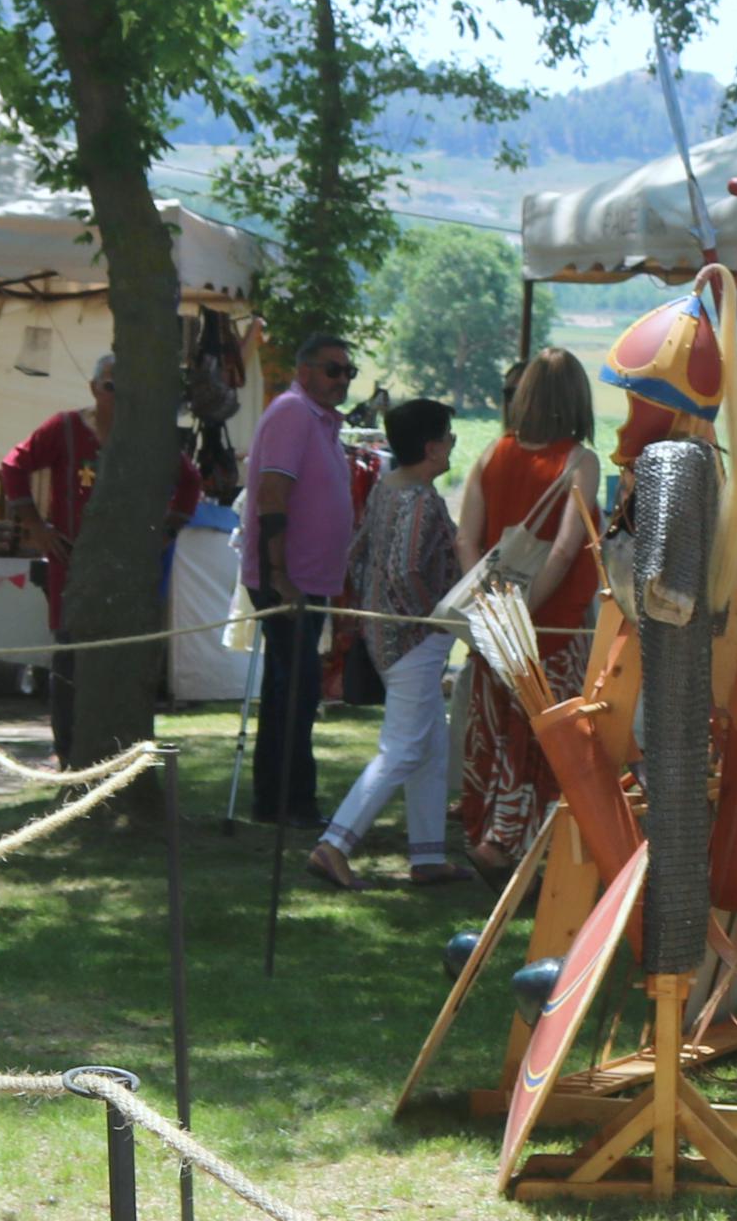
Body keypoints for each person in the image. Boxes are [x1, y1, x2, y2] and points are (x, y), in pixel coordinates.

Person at [0, 353, 199, 766]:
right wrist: (35, 526)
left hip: (127, 567)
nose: (118, 396)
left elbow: (190, 481)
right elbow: (13, 465)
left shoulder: (145, 436)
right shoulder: (66, 428)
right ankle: (67, 749)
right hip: (72, 559)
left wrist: (164, 533)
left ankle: (117, 749)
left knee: (122, 654)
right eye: (110, 387)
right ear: (94, 388)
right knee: (70, 653)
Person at [449, 349, 599, 869]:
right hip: (551, 629)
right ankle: (520, 845)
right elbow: (564, 548)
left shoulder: (492, 454)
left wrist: (492, 608)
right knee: (546, 737)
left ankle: (492, 833)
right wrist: (524, 610)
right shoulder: (580, 461)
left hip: (495, 623)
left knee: (498, 733)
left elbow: (467, 540)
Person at [309, 399, 461, 890]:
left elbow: (359, 555)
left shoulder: (384, 489)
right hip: (412, 640)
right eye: (449, 435)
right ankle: (335, 842)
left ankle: (428, 853)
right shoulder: (419, 499)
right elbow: (406, 568)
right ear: (433, 447)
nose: (455, 443)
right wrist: (432, 617)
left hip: (388, 636)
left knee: (430, 746)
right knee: (402, 748)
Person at [240, 330, 360, 827]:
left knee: (291, 687)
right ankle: (290, 800)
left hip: (309, 579)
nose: (342, 381)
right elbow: (272, 494)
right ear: (305, 370)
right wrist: (278, 574)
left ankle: (280, 799)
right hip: (287, 579)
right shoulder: (292, 412)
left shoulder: (319, 420)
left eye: (348, 372)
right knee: (298, 688)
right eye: (334, 370)